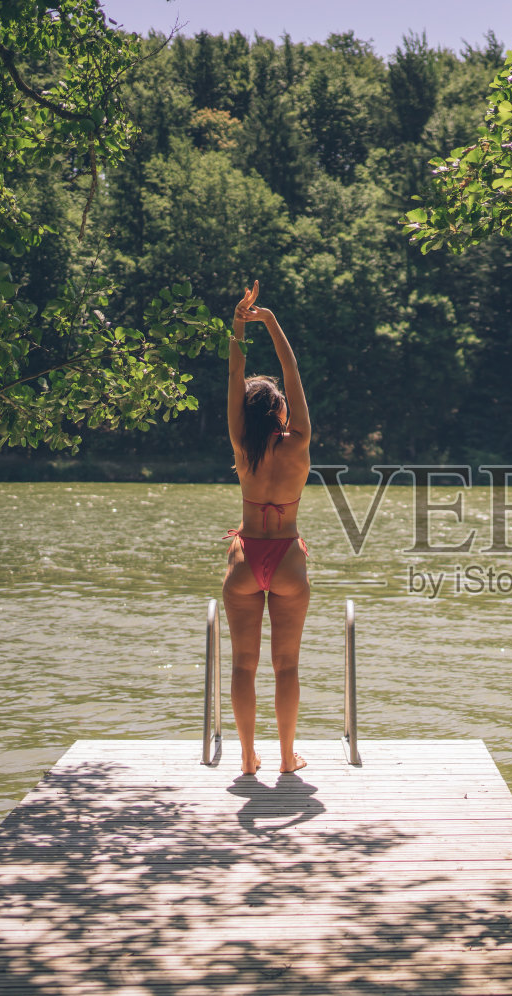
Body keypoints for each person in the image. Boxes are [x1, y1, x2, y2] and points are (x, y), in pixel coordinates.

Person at [223, 281, 310, 775]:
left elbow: (235, 375)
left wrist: (238, 323)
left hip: (245, 560)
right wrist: (269, 321)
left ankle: (246, 758)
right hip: (288, 561)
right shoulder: (298, 442)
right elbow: (292, 373)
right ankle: (284, 758)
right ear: (280, 410)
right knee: (287, 666)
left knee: (242, 666)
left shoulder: (240, 443)